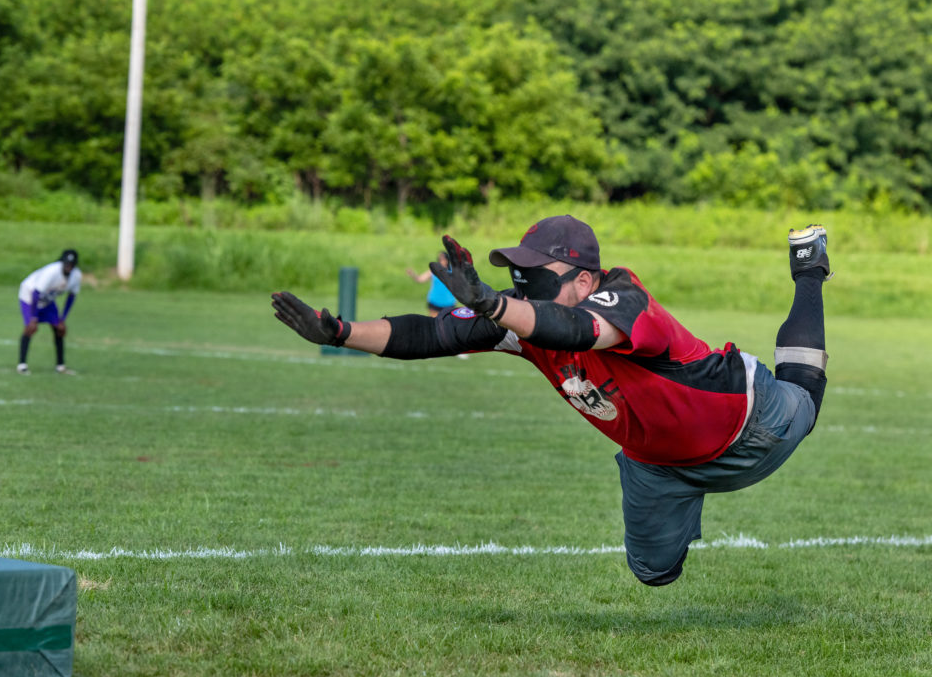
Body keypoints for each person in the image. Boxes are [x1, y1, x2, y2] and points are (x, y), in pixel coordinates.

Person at [272, 216, 830, 586]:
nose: (522, 287)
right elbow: (429, 334)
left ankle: (809, 268)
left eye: (536, 277)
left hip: (751, 423)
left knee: (801, 398)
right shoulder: (517, 318)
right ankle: (678, 514)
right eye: (517, 277)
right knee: (652, 572)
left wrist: (495, 306)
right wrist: (340, 332)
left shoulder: (624, 298)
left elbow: (577, 330)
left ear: (585, 281)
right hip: (658, 464)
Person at [16, 249, 82, 375]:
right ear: (62, 262)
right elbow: (36, 293)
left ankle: (60, 366)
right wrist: (33, 318)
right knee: (30, 328)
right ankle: (22, 365)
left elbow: (71, 297)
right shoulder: (52, 271)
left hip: (47, 299)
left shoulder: (76, 276)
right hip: (30, 295)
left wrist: (62, 319)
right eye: (67, 264)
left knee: (59, 329)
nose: (69, 267)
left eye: (72, 264)